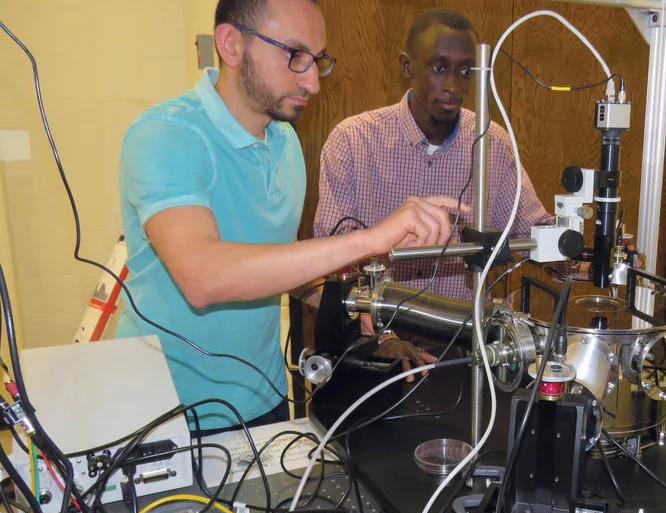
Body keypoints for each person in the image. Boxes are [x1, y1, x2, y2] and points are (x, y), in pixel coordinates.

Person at [115, 0, 463, 432]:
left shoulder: (286, 144)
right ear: (231, 44)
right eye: (294, 56)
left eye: (317, 60)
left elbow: (280, 264)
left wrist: (356, 297)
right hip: (163, 413)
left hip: (263, 399)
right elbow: (202, 277)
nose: (313, 81)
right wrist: (371, 238)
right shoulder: (166, 135)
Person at [313, 8, 554, 372]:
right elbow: (332, 263)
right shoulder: (351, 142)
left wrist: (587, 255)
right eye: (439, 68)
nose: (454, 85)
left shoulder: (493, 145)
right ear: (407, 66)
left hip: (465, 352)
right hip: (374, 353)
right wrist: (383, 338)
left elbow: (533, 233)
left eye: (466, 71)